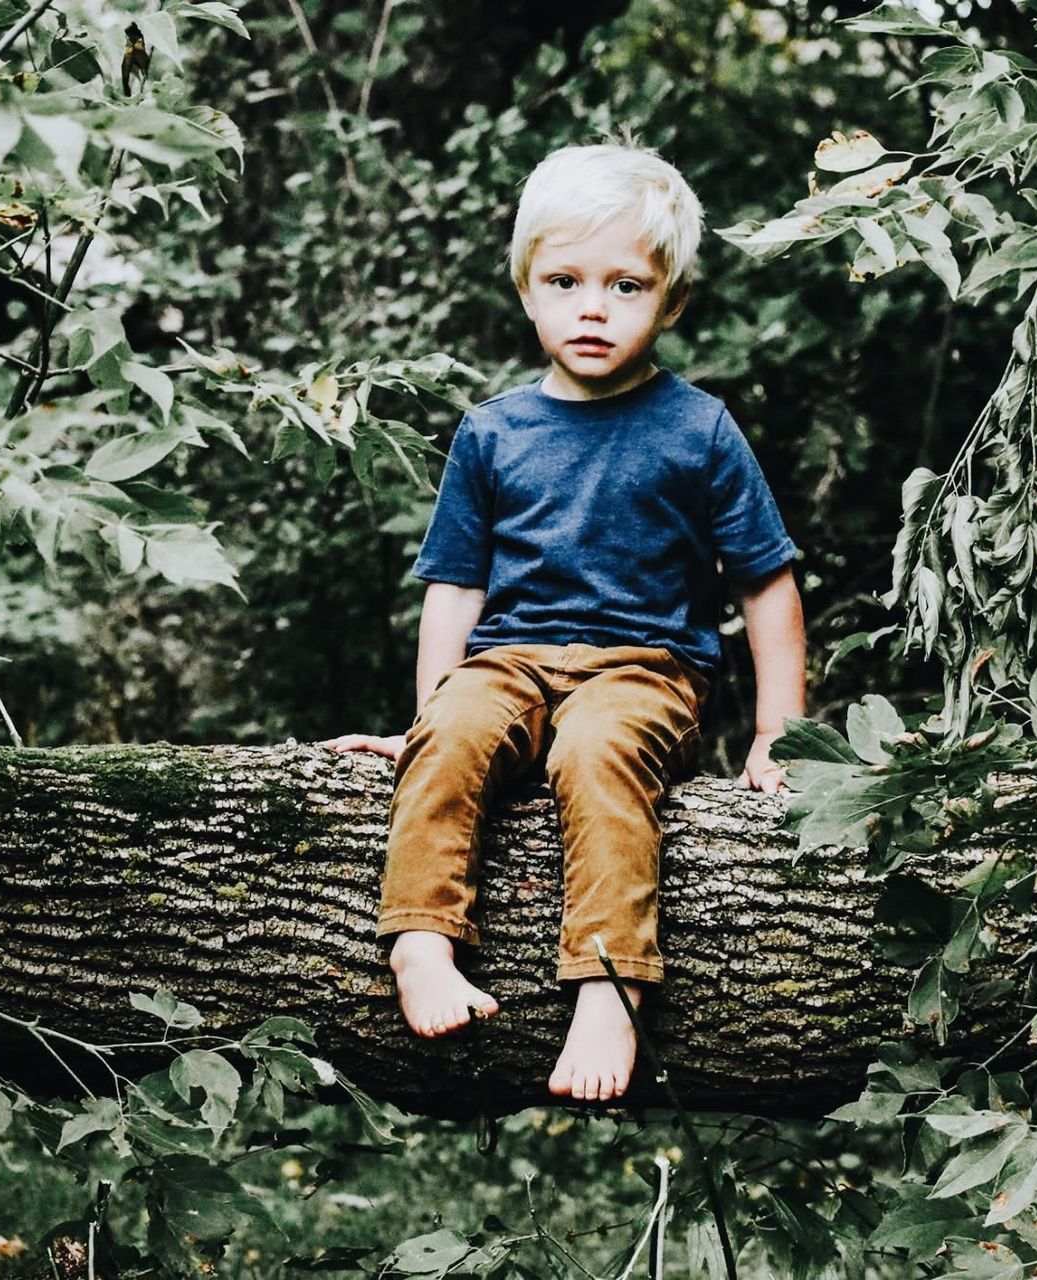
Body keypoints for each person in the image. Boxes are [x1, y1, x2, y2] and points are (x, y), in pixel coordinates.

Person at [325, 142, 805, 1103]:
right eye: (567, 280)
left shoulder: (699, 428)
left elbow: (766, 584)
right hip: (510, 663)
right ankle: (421, 944)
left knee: (595, 753)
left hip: (644, 669)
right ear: (527, 291)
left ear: (669, 304)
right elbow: (454, 589)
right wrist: (431, 719)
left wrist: (776, 733)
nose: (594, 306)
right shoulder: (493, 431)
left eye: (626, 285)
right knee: (457, 732)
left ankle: (609, 986)